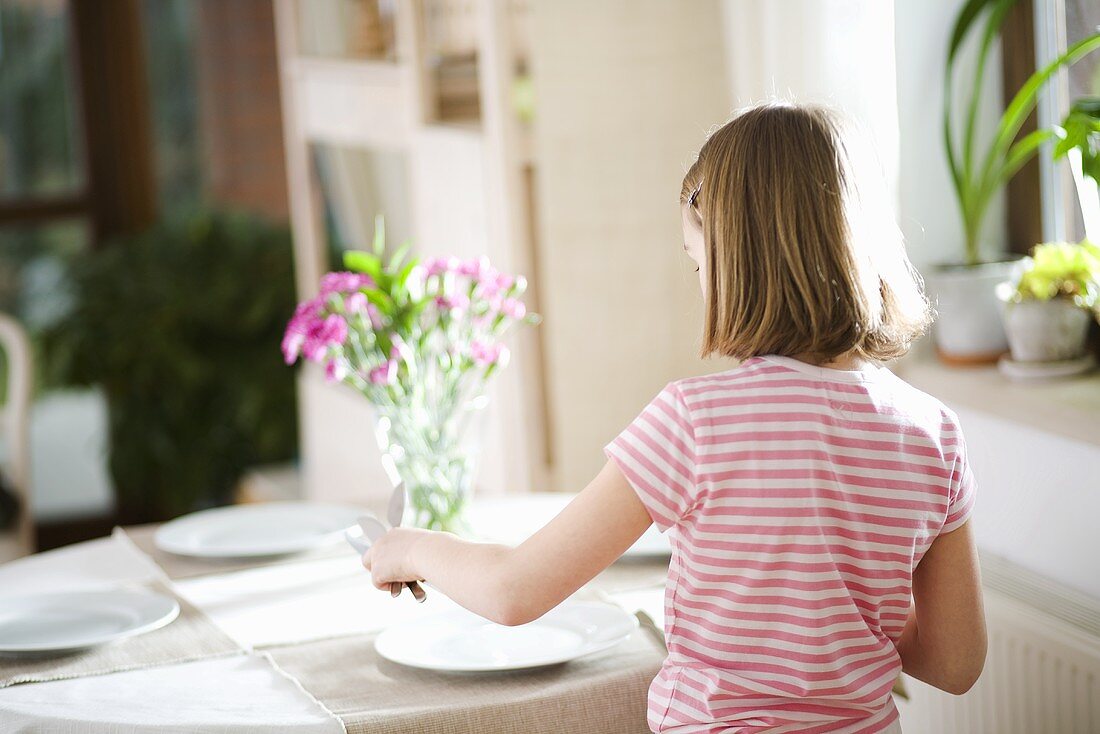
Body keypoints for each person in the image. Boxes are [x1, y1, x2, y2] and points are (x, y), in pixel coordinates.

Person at [362, 102, 987, 733]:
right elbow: (956, 662)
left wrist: (411, 547)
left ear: (739, 260)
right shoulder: (932, 432)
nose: (702, 284)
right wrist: (843, 608)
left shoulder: (696, 421)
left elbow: (513, 591)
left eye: (699, 263)